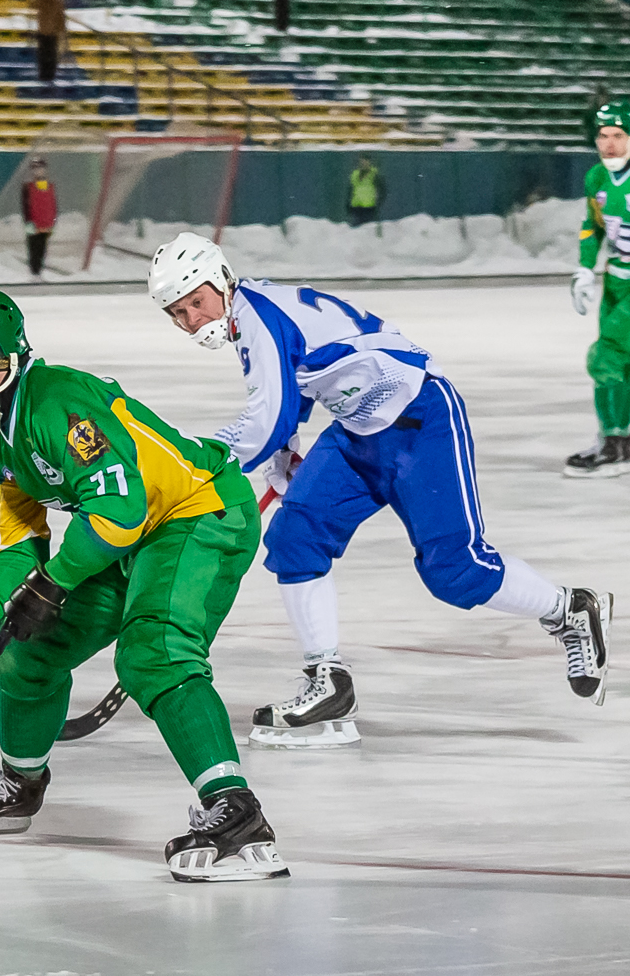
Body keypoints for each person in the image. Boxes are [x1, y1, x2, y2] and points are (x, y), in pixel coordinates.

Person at [148, 232, 615, 752]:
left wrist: (206, 467)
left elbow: (267, 419)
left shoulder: (257, 317)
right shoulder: (251, 313)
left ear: (222, 279)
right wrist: (283, 457)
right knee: (294, 538)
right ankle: (328, 682)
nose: (193, 319)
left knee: (454, 571)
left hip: (420, 420)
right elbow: (294, 388)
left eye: (196, 301)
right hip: (358, 431)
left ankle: (568, 608)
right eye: (178, 312)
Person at [0, 286, 287, 882]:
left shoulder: (59, 403)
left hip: (199, 513)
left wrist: (54, 582)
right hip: (125, 534)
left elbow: (120, 512)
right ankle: (19, 785)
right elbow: (17, 545)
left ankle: (237, 814)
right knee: (28, 650)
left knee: (154, 654)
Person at [568, 99, 630, 477]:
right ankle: (622, 440)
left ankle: (613, 441)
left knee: (605, 357)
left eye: (618, 135)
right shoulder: (597, 177)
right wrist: (585, 268)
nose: (609, 144)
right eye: (603, 135)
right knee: (623, 363)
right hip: (617, 279)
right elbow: (592, 226)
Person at [21, 156, 55, 278]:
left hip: (45, 222)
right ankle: (34, 272)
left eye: (40, 168)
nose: (38, 171)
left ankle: (38, 272)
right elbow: (25, 206)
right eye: (35, 168)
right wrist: (28, 222)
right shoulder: (28, 187)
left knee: (42, 247)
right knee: (33, 247)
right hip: (32, 222)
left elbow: (51, 203)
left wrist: (52, 220)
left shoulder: (47, 185)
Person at [31, 0, 62, 83]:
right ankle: (43, 75)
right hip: (42, 32)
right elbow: (32, 5)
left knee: (51, 55)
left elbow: (60, 17)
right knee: (43, 55)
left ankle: (50, 75)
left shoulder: (57, 1)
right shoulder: (40, 1)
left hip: (52, 33)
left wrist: (61, 30)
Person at [346, 156, 383, 227]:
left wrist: (379, 202)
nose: (364, 163)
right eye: (362, 161)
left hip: (369, 208)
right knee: (356, 230)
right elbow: (351, 189)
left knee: (368, 229)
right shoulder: (355, 174)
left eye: (366, 161)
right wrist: (348, 203)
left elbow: (381, 189)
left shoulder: (374, 175)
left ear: (369, 162)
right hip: (356, 207)